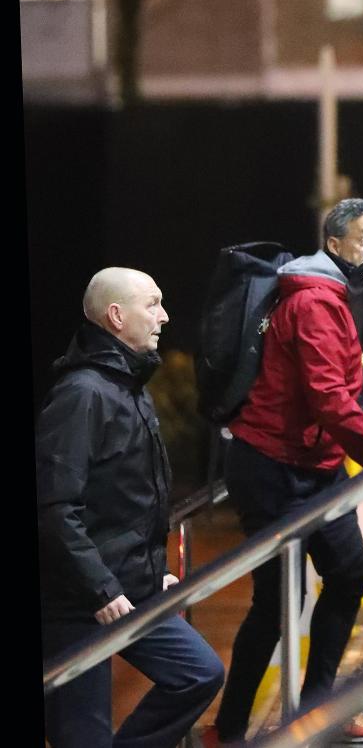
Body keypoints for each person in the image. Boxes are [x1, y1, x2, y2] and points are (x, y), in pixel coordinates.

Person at [205, 199, 363, 746]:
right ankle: (231, 728)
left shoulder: (337, 296)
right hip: (271, 467)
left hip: (315, 465)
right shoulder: (312, 300)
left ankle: (316, 711)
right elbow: (328, 400)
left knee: (349, 573)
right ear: (333, 244)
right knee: (279, 601)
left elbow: (341, 383)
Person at [38, 267, 224, 748]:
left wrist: (153, 569)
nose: (163, 316)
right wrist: (100, 590)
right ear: (116, 316)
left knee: (199, 673)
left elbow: (136, 500)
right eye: (153, 304)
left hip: (131, 586)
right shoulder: (82, 393)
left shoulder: (128, 385)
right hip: (82, 601)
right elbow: (54, 505)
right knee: (84, 734)